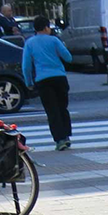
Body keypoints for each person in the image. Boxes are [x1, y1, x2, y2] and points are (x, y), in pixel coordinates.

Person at [22, 16, 73, 151]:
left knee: (52, 111)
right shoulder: (54, 40)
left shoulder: (30, 43)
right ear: (45, 27)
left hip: (43, 80)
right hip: (60, 78)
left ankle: (59, 139)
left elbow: (26, 65)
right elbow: (68, 57)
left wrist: (29, 82)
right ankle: (67, 135)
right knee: (63, 108)